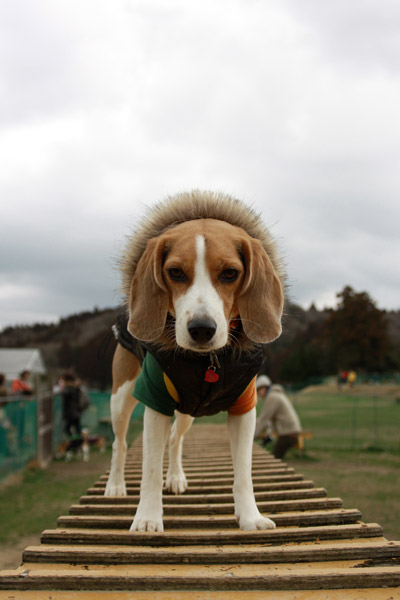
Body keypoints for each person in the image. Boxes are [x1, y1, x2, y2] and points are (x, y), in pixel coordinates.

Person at [254, 376, 302, 459]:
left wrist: (251, 437)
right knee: (275, 457)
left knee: (274, 460)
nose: (258, 394)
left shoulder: (272, 397)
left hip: (288, 434)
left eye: (258, 390)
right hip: (290, 433)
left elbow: (263, 420)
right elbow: (270, 421)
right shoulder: (276, 395)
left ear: (264, 388)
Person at [60, 373, 82, 437]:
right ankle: (78, 443)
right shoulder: (75, 388)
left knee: (67, 429)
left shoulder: (68, 388)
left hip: (71, 413)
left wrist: (62, 388)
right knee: (77, 430)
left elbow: (63, 394)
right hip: (76, 412)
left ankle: (74, 443)